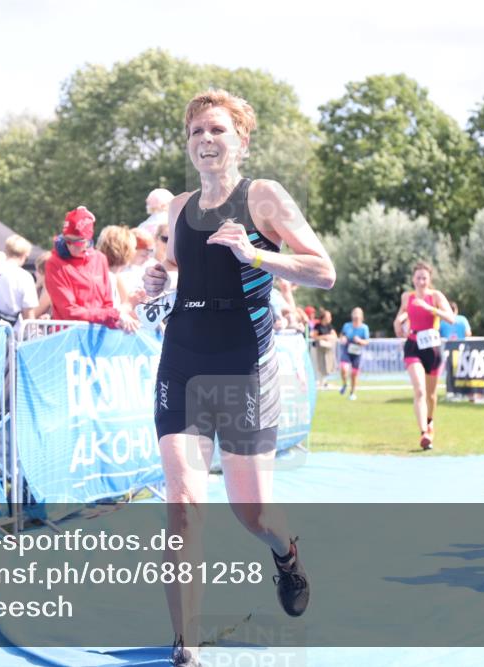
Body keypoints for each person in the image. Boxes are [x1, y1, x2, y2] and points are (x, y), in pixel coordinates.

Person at [142, 89, 335, 667]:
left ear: (241, 140)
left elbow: (323, 271)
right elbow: (181, 264)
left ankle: (286, 553)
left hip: (245, 365)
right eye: (197, 131)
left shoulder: (263, 198)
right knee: (182, 500)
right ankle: (187, 643)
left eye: (218, 130)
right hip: (183, 357)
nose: (206, 140)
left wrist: (258, 257)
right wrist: (159, 280)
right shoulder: (178, 209)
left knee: (251, 513)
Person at [44, 206, 138, 332]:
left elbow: (108, 304)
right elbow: (69, 312)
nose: (71, 247)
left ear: (89, 239)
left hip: (97, 335)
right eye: (67, 241)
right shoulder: (54, 263)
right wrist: (112, 315)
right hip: (68, 337)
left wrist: (118, 319)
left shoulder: (100, 259)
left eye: (78, 242)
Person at [393, 261, 455, 451]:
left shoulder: (435, 296)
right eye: (418, 278)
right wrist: (399, 324)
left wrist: (431, 309)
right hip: (413, 345)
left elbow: (451, 318)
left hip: (432, 348)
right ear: (413, 279)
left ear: (429, 280)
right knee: (419, 390)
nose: (421, 281)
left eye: (424, 278)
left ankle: (429, 421)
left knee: (431, 395)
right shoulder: (407, 297)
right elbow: (399, 318)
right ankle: (423, 434)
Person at [0, 235, 39, 325]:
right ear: (25, 255)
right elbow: (28, 313)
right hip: (11, 331)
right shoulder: (25, 277)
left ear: (6, 251)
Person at [96, 225, 138, 308]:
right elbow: (113, 313)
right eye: (134, 248)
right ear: (126, 250)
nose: (135, 251)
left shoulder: (112, 275)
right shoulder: (108, 277)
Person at [339, 307, 369, 400]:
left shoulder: (364, 328)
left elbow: (367, 341)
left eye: (358, 315)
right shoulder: (346, 325)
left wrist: (360, 340)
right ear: (352, 316)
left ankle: (352, 393)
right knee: (344, 368)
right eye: (354, 314)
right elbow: (342, 335)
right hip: (347, 350)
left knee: (354, 374)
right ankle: (344, 384)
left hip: (357, 352)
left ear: (361, 317)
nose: (356, 317)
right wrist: (343, 339)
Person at [310, 308, 337, 387]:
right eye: (329, 317)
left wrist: (329, 337)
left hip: (325, 349)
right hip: (316, 348)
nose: (330, 318)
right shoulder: (317, 326)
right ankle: (316, 381)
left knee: (325, 364)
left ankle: (324, 381)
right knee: (316, 363)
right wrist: (325, 336)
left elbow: (334, 335)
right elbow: (314, 336)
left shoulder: (329, 326)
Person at [33, 251, 52, 319]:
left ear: (41, 271)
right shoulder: (42, 288)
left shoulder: (49, 290)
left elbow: (33, 313)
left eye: (37, 270)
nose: (35, 273)